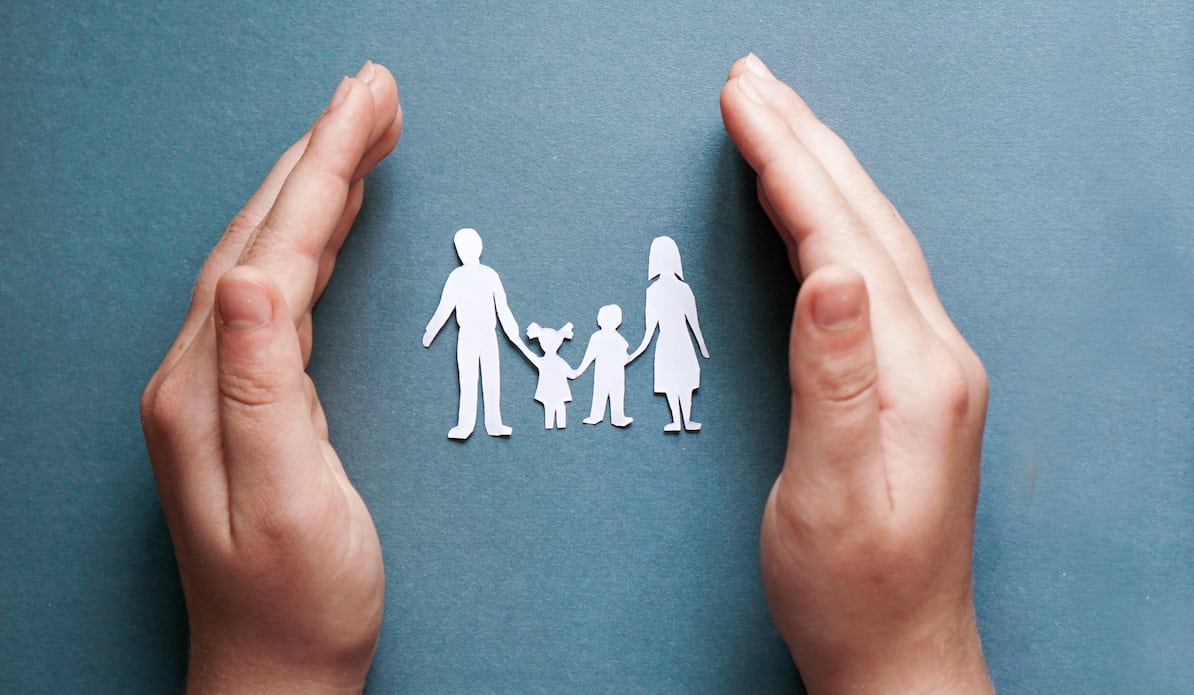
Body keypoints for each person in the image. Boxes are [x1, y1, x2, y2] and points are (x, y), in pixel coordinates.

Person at [140, 55, 993, 694]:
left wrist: (271, 664)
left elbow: (599, 324)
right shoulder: (471, 280)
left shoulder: (520, 286)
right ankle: (491, 409)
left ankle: (517, 406)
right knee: (493, 387)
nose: (471, 254)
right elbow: (467, 319)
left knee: (656, 385)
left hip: (610, 362)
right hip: (556, 363)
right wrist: (906, 652)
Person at [423, 227, 533, 439]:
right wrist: (430, 333)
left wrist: (512, 331)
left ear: (477, 248)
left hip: (487, 335)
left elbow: (502, 306)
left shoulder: (488, 275)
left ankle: (494, 424)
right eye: (460, 248)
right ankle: (465, 427)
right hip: (467, 336)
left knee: (491, 379)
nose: (463, 252)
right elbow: (445, 308)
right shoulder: (457, 276)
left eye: (465, 247)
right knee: (469, 380)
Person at [628, 236, 710, 432]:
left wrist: (703, 348)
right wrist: (636, 352)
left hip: (673, 341)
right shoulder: (670, 290)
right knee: (677, 380)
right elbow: (652, 329)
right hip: (676, 341)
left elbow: (692, 322)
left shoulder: (660, 291)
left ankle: (683, 420)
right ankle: (679, 420)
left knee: (681, 380)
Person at [572, 304, 634, 428]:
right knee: (600, 392)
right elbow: (589, 355)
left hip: (616, 373)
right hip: (605, 372)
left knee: (616, 394)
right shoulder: (598, 337)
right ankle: (596, 416)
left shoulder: (618, 339)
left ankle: (618, 417)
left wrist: (626, 358)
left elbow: (624, 357)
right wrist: (579, 370)